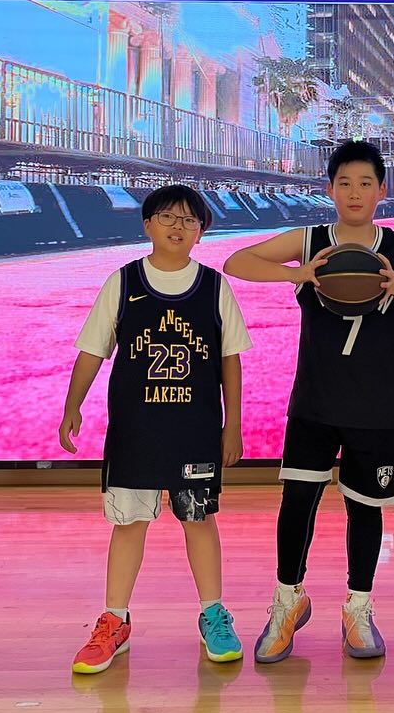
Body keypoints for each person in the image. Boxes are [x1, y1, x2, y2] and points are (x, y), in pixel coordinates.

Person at [223, 140, 394, 663]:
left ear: (382, 191)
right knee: (297, 504)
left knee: (364, 509)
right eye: (344, 183)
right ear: (329, 189)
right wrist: (296, 273)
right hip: (314, 402)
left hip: (373, 407)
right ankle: (288, 600)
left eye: (365, 183)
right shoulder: (310, 241)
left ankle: (358, 607)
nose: (354, 192)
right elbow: (237, 261)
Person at [60, 185, 251, 674]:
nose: (177, 226)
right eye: (167, 216)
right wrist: (72, 405)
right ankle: (114, 620)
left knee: (199, 520)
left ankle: (213, 614)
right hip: (135, 432)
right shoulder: (122, 282)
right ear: (147, 224)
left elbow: (230, 360)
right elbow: (93, 349)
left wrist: (233, 424)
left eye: (189, 220)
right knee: (128, 525)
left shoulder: (214, 286)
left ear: (202, 232)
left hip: (195, 432)